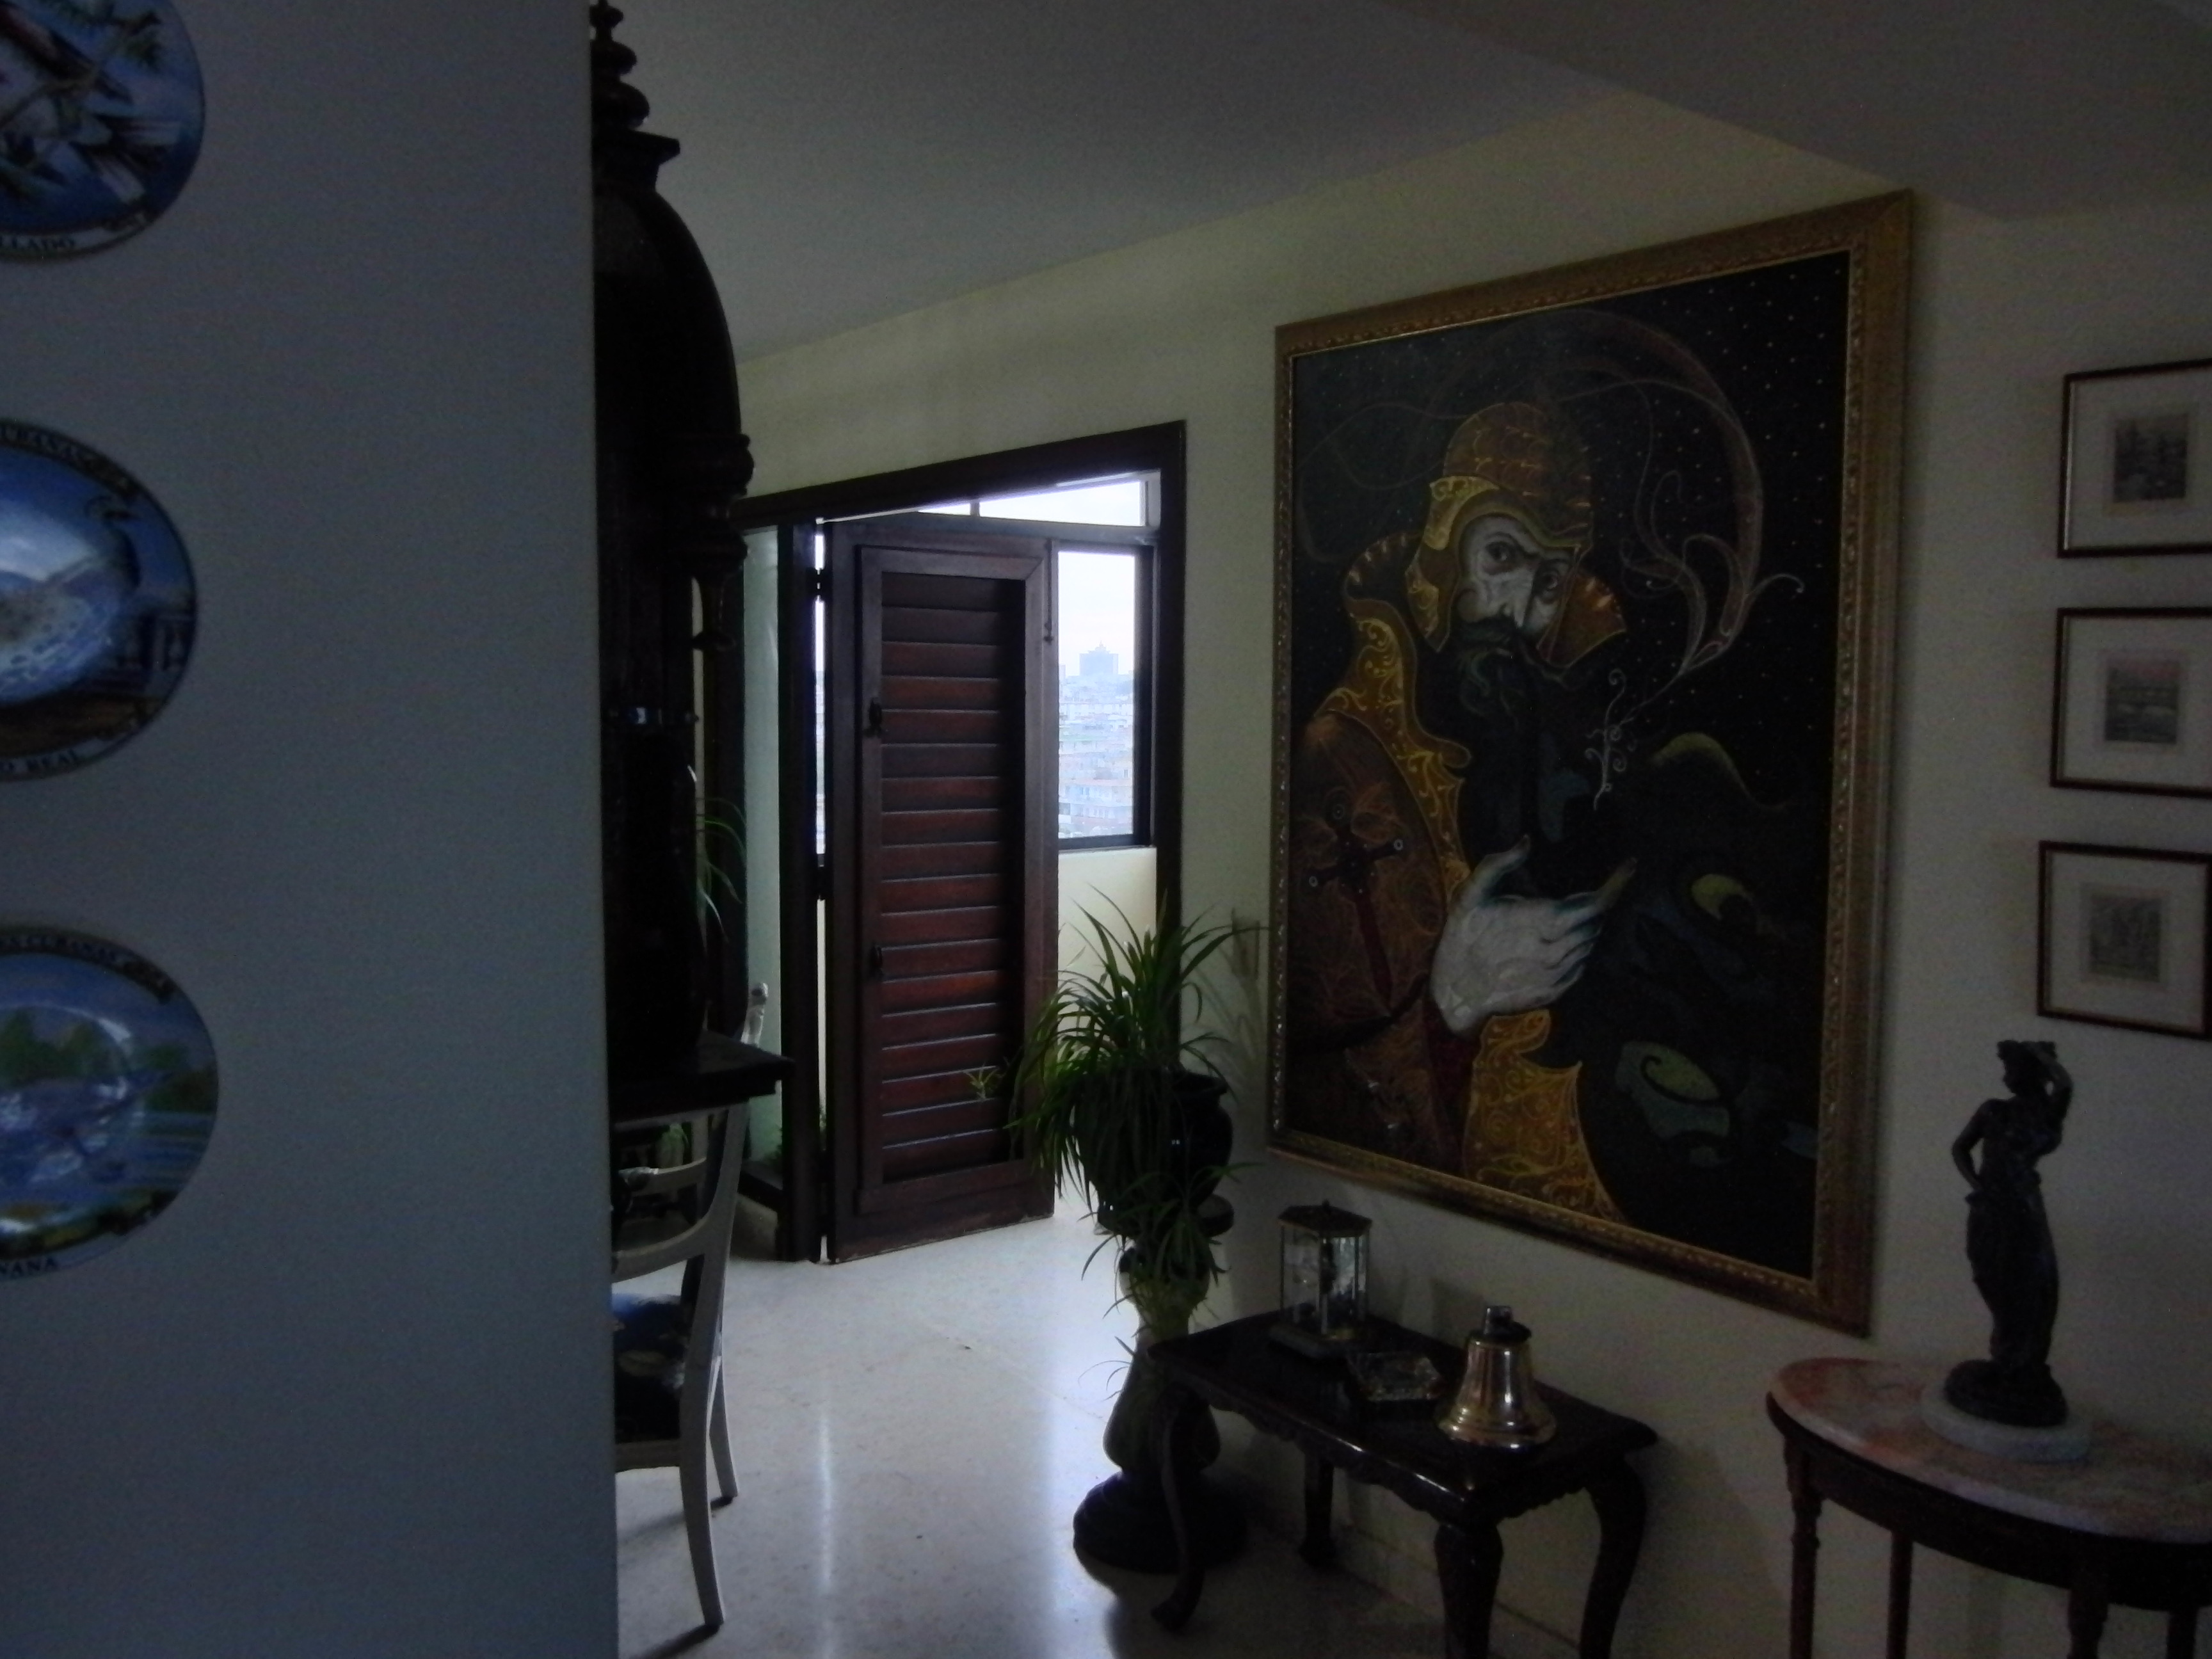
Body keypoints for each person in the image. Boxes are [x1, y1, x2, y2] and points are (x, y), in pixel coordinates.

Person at [1284, 380, 1820, 1270]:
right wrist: (1456, 994)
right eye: (1501, 556)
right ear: (1447, 547)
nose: (1521, 609)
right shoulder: (1346, 755)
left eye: (1550, 578)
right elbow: (1309, 1040)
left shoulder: (1548, 731)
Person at [1944, 1040, 2074, 1427]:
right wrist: (1978, 1184)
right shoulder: (1994, 1111)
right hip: (1992, 1206)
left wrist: (2041, 1056)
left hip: (2025, 1209)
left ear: (2032, 1073)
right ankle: (2005, 1360)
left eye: (2013, 1067)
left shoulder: (2047, 1112)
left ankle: (2023, 1366)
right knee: (1994, 1279)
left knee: (2034, 1285)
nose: (2007, 1076)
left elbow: (2065, 1085)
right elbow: (1960, 1149)